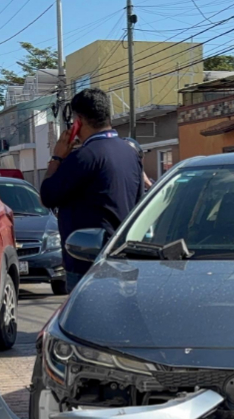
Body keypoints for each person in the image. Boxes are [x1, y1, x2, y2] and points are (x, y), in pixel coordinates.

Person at [40, 89, 144, 293]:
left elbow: (47, 196)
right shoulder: (130, 154)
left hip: (87, 263)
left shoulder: (83, 157)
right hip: (124, 257)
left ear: (78, 121)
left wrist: (57, 158)